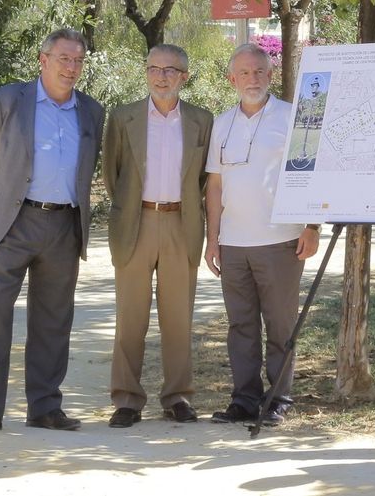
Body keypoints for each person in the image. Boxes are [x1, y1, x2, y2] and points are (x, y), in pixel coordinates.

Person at [0, 28, 105, 438]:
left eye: (78, 60)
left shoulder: (91, 111)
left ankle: (45, 407)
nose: (71, 67)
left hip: (64, 225)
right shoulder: (7, 100)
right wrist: (9, 196)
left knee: (54, 320)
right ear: (43, 59)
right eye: (63, 58)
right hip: (13, 222)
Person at [204, 43, 320, 426]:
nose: (252, 78)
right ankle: (244, 401)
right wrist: (212, 239)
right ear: (231, 79)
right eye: (244, 72)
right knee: (241, 326)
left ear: (270, 75)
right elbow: (215, 186)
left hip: (281, 240)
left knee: (280, 325)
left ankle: (278, 399)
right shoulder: (221, 124)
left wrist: (312, 226)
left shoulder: (292, 116)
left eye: (259, 71)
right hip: (233, 243)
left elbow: (311, 172)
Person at [101, 44, 215, 427]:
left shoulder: (202, 120)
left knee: (178, 319)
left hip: (181, 224)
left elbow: (203, 178)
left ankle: (177, 397)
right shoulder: (123, 117)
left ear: (185, 76)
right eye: (154, 68)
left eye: (170, 70)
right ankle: (127, 400)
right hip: (136, 222)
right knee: (129, 318)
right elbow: (112, 174)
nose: (161, 76)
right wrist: (131, 209)